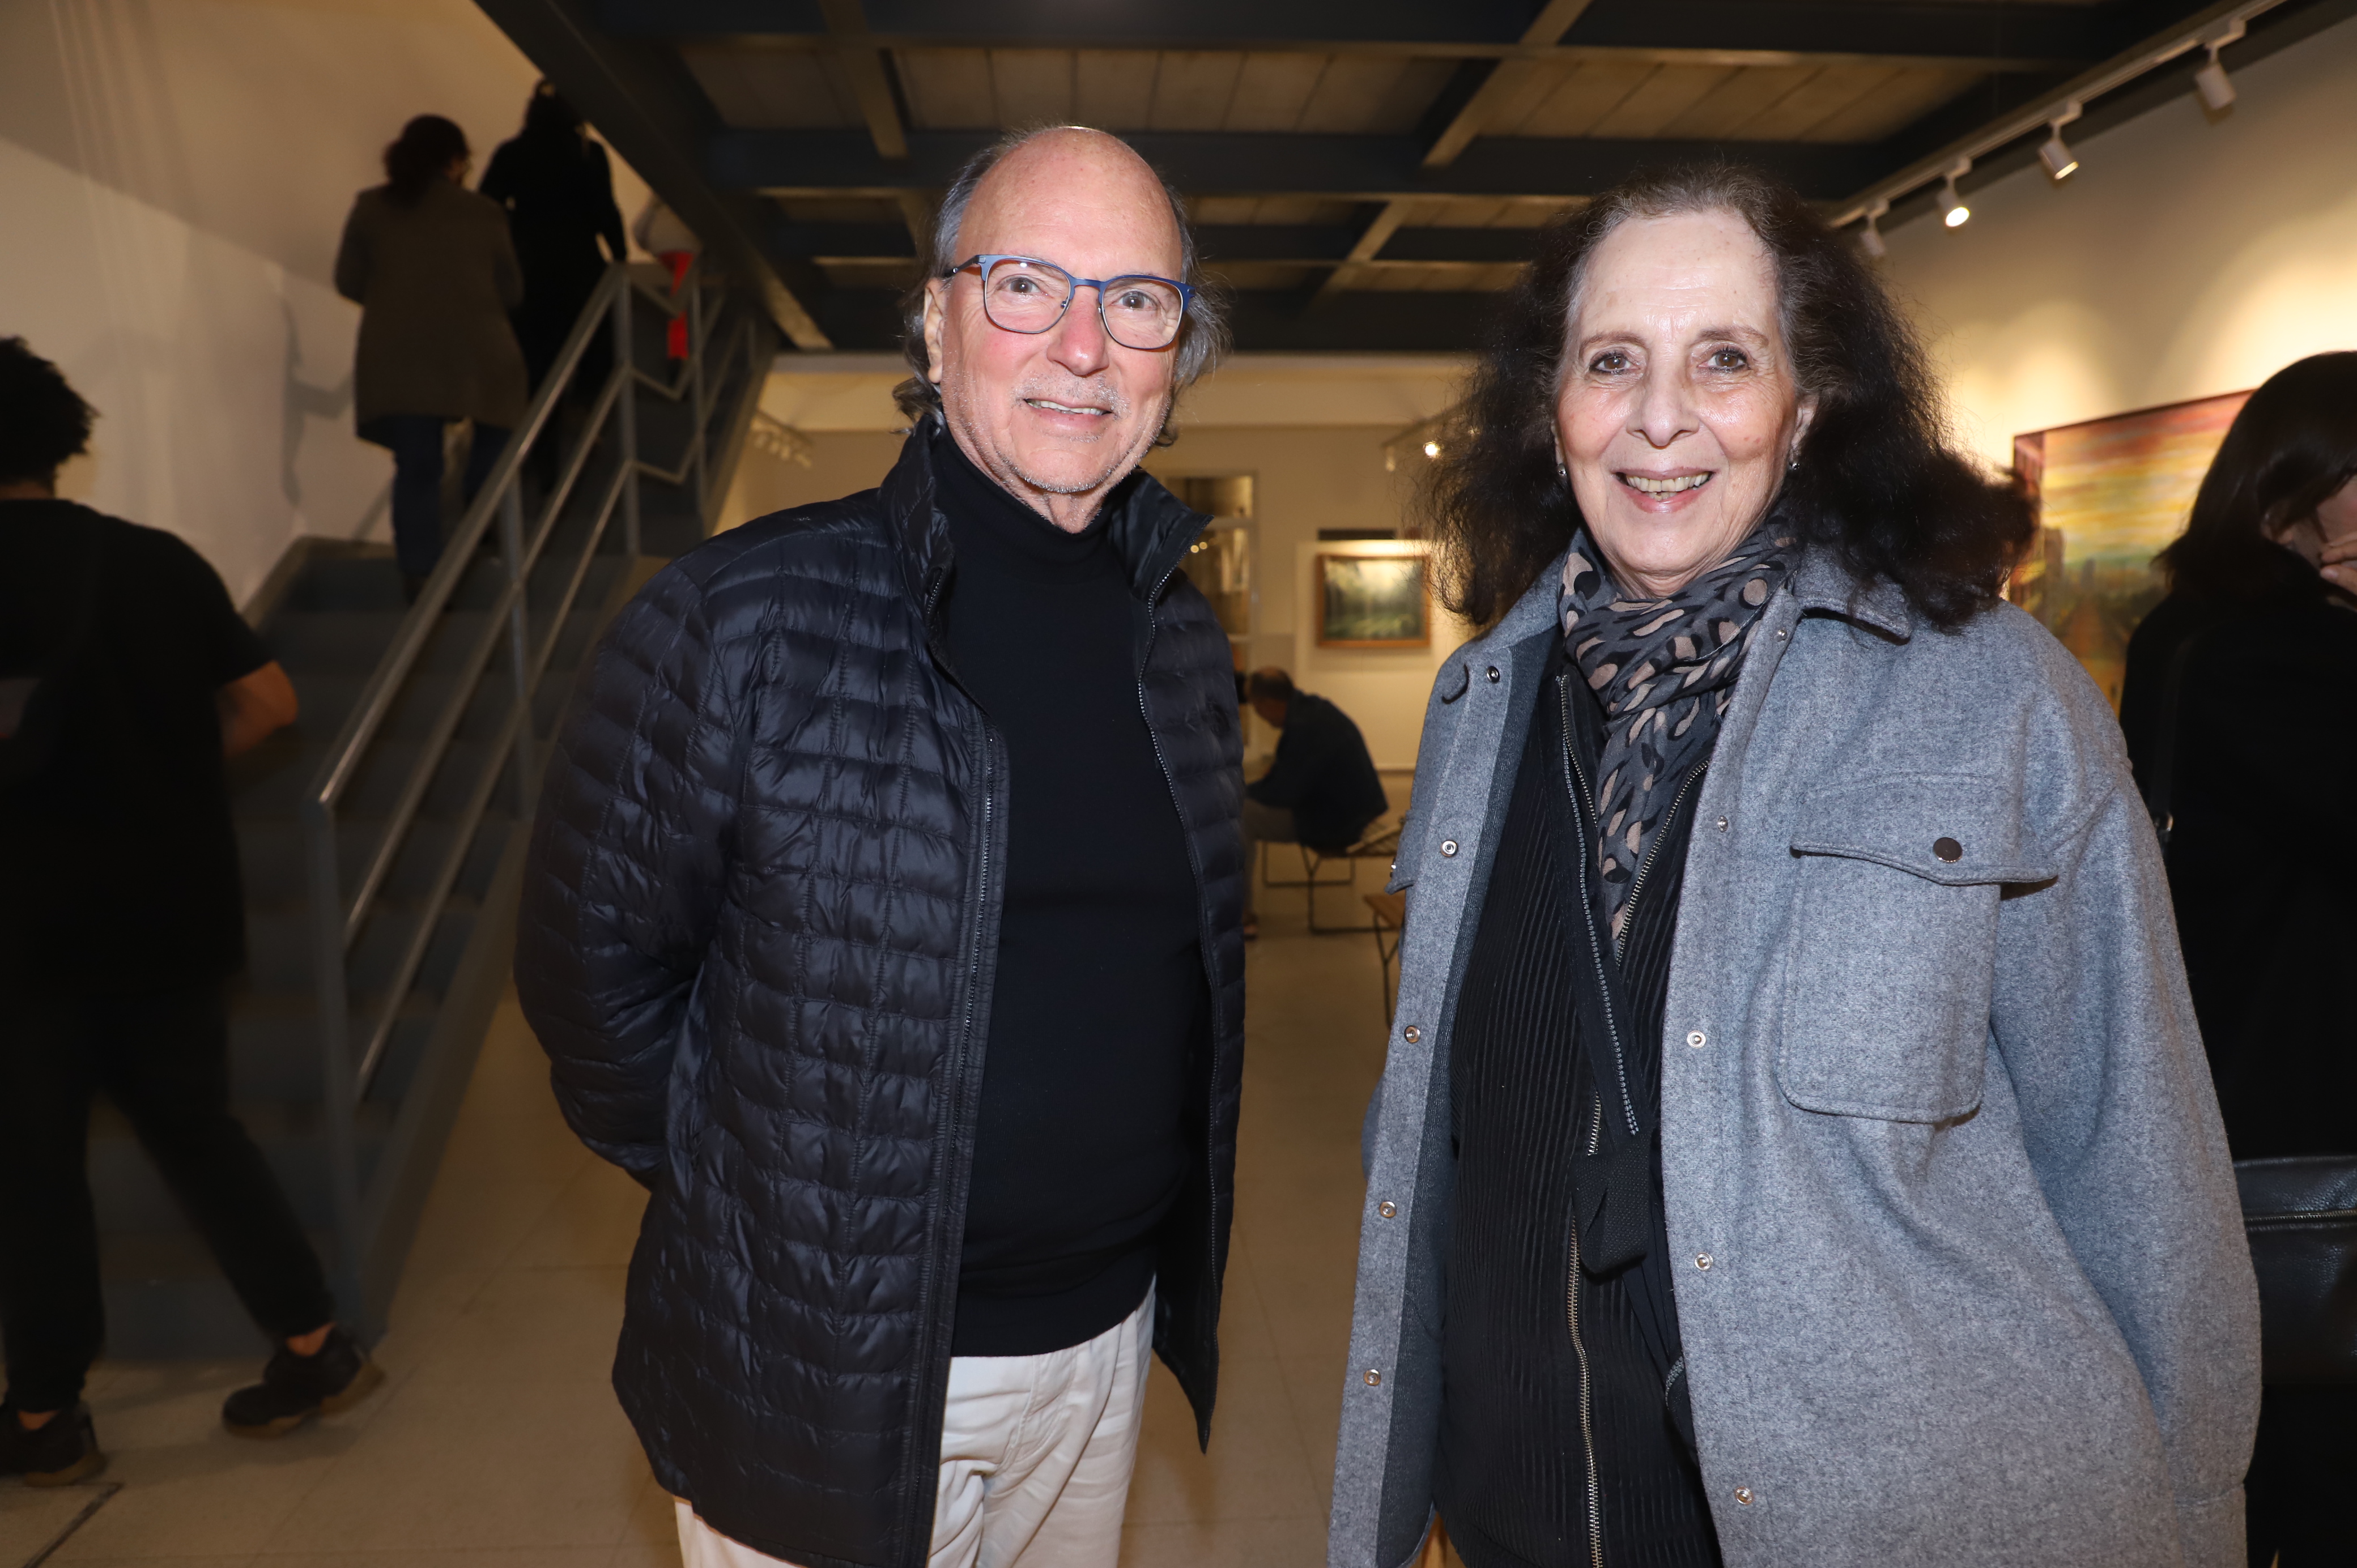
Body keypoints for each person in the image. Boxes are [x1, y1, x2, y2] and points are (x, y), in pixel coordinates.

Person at [1328, 166, 2258, 1568]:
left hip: (1885, 1519)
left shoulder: (1989, 697)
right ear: (1549, 407)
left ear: (1806, 407)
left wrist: (2198, 1515)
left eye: (1724, 359)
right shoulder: (1483, 703)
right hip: (1520, 1508)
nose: (1659, 416)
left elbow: (2141, 1176)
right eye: (1611, 361)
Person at [516, 126, 1244, 1568]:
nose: (1083, 345)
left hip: (1101, 1350)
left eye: (1136, 299)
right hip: (823, 1370)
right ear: (935, 315)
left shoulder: (1177, 637)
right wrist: (779, 1207)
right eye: (1026, 284)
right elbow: (589, 984)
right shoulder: (738, 619)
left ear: (1176, 349)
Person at [0, 339, 383, 1488]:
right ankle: (314, 1343)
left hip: (26, 930)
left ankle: (44, 1413)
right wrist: (162, 776)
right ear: (58, 443)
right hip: (170, 912)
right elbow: (269, 702)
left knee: (34, 1168)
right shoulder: (153, 558)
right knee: (199, 1132)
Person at [2119, 352, 2357, 1568]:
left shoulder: (2192, 634)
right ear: (2288, 496)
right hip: (2302, 1134)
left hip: (2240, 1114)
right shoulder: (2274, 655)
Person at [334, 113, 530, 602]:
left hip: (401, 355)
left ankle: (420, 573)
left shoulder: (371, 207)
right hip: (479, 351)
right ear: (456, 161)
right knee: (499, 429)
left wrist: (400, 298)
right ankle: (480, 510)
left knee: (418, 464)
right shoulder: (484, 212)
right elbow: (512, 291)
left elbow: (348, 281)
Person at [479, 84, 626, 397]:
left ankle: (540, 413)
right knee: (593, 341)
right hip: (580, 263)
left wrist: (516, 228)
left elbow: (488, 205)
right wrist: (620, 257)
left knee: (535, 352)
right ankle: (584, 402)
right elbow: (606, 210)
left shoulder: (512, 151)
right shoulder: (589, 153)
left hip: (528, 262)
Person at [1240, 666, 1388, 936]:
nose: (1258, 714)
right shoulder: (1312, 711)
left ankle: (1240, 914)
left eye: (1256, 707)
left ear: (1268, 703)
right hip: (1352, 810)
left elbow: (1284, 793)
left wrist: (1242, 792)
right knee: (1245, 804)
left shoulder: (1304, 727)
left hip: (1340, 823)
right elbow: (1288, 780)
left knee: (1241, 816)